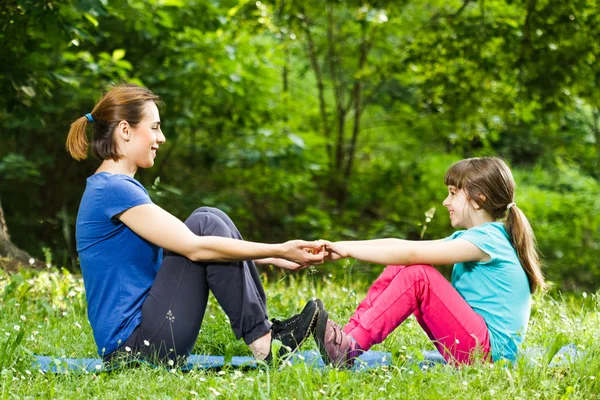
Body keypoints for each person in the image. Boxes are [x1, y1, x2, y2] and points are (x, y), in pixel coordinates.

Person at [66, 84, 325, 364]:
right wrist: (279, 250)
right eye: (154, 128)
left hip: (146, 335)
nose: (161, 138)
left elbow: (176, 253)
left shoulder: (113, 188)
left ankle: (266, 336)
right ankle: (265, 344)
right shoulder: (113, 190)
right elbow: (195, 248)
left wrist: (273, 255)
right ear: (125, 130)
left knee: (211, 217)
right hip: (132, 348)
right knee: (204, 223)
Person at [312, 157, 545, 367]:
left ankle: (349, 347)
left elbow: (412, 253)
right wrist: (344, 248)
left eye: (453, 193)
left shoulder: (488, 240)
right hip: (477, 345)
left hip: (489, 356)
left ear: (478, 199)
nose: (446, 201)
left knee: (419, 276)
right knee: (401, 265)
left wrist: (349, 250)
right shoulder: (474, 237)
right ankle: (348, 337)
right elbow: (401, 247)